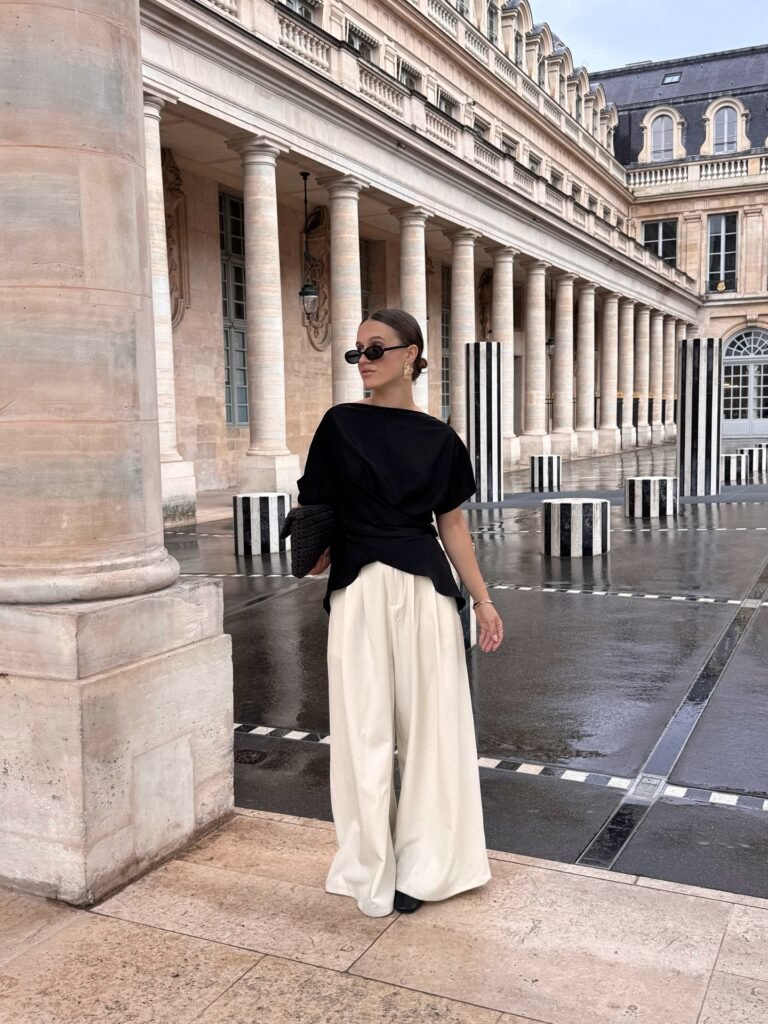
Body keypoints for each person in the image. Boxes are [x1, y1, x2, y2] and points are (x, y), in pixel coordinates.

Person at [296, 307, 504, 918]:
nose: (363, 361)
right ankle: (370, 866)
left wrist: (483, 600)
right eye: (357, 351)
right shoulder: (339, 424)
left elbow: (453, 525)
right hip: (357, 588)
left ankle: (426, 867)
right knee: (361, 731)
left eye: (376, 349)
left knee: (432, 734)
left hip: (426, 593)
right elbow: (315, 506)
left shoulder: (441, 438)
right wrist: (311, 549)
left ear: (411, 354)